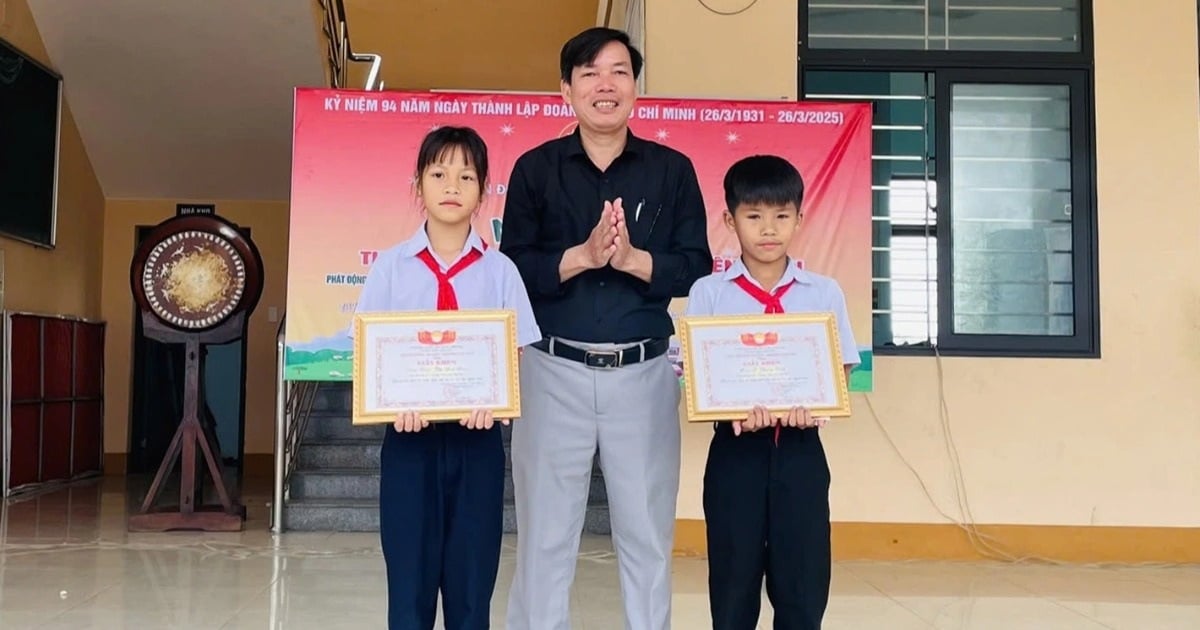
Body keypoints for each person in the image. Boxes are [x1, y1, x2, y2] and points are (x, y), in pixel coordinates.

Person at [499, 26, 712, 630]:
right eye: (590, 73)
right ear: (566, 89)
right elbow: (513, 265)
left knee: (646, 535)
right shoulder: (535, 169)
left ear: (635, 88)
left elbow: (696, 264)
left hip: (642, 374)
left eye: (619, 71)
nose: (605, 85)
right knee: (545, 536)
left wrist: (632, 260)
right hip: (551, 368)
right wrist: (583, 256)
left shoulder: (672, 170)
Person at [354, 126, 542, 630]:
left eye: (466, 175)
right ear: (418, 185)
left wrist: (496, 399)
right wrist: (392, 401)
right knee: (409, 594)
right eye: (438, 174)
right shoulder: (390, 269)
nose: (452, 185)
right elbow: (371, 351)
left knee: (470, 589)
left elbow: (515, 354)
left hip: (477, 443)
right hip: (408, 443)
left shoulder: (502, 272)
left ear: (484, 189)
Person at [684, 155, 860, 630]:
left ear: (800, 220)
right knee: (733, 588)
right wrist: (728, 405)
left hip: (802, 454)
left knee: (802, 590)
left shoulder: (823, 293)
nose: (769, 229)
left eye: (782, 216)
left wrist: (818, 404)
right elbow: (696, 376)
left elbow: (839, 368)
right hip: (735, 456)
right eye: (754, 216)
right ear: (729, 219)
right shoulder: (709, 294)